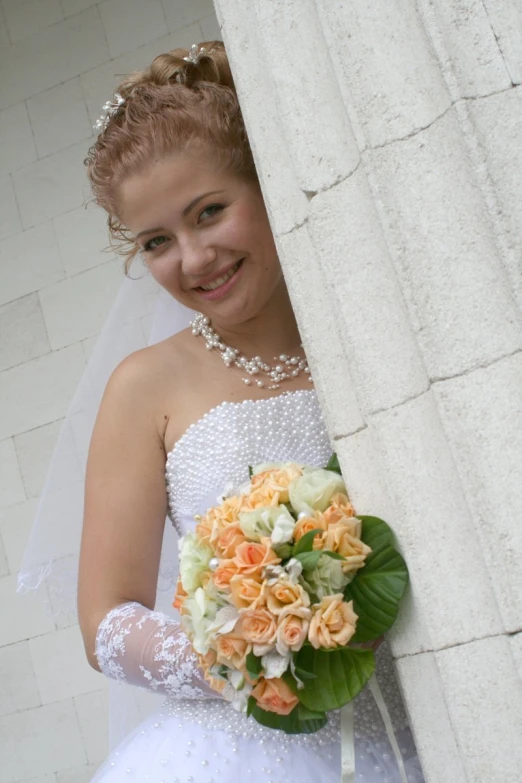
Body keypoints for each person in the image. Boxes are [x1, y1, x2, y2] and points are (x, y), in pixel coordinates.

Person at [26, 41, 425, 782]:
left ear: (265, 184)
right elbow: (106, 622)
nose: (194, 257)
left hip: (439, 714)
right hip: (253, 752)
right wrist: (254, 652)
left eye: (209, 212)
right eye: (156, 242)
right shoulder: (145, 387)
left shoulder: (376, 339)